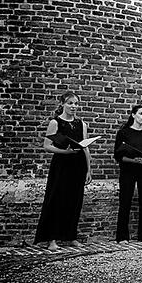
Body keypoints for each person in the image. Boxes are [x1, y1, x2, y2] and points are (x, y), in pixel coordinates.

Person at [35, 91, 93, 251]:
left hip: (78, 165)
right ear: (62, 104)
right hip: (61, 165)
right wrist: (65, 152)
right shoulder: (56, 123)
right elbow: (47, 146)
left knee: (75, 201)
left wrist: (88, 169)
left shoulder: (81, 124)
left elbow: (85, 147)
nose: (73, 107)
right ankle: (52, 239)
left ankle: (71, 236)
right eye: (70, 103)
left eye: (76, 103)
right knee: (57, 200)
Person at [113, 104, 142, 243]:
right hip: (128, 170)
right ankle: (122, 236)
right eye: (141, 113)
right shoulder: (124, 133)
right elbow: (118, 156)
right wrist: (134, 160)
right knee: (125, 201)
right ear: (133, 115)